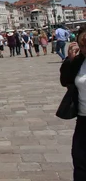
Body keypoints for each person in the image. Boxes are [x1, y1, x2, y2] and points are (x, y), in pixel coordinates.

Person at [59, 27, 86, 180]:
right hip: (83, 119)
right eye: (81, 46)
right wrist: (69, 59)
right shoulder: (79, 61)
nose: (84, 49)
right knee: (80, 160)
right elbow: (65, 81)